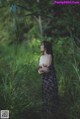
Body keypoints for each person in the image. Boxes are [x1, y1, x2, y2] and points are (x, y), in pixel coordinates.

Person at [38, 40, 58, 117]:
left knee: (52, 94)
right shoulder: (41, 57)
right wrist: (43, 68)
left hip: (51, 79)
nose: (40, 46)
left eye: (41, 45)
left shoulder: (50, 56)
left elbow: (47, 69)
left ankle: (53, 113)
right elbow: (40, 71)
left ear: (45, 47)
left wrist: (42, 68)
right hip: (45, 79)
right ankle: (47, 112)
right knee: (45, 95)